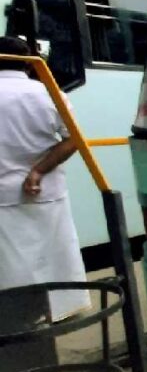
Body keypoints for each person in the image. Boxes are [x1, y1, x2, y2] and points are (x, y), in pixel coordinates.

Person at [0, 37, 90, 321]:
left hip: (3, 196)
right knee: (55, 255)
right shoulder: (48, 92)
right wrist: (38, 170)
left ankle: (20, 318)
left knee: (11, 264)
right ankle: (61, 310)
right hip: (46, 192)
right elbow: (73, 140)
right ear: (28, 62)